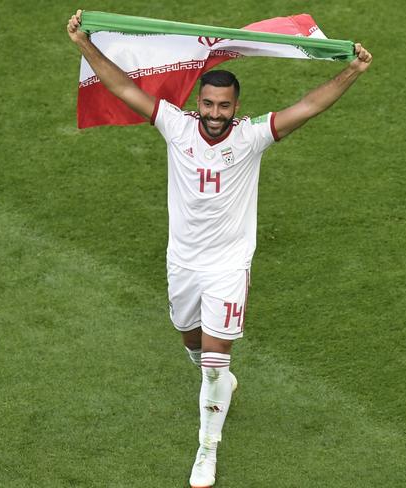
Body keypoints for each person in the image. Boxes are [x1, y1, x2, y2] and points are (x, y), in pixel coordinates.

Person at [67, 9, 372, 488]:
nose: (214, 114)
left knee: (214, 362)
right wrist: (85, 46)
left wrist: (350, 71)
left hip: (228, 265)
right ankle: (216, 380)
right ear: (200, 102)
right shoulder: (177, 126)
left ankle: (207, 449)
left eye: (223, 106)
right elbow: (125, 88)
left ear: (236, 105)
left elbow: (308, 105)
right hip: (183, 262)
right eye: (208, 104)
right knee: (190, 341)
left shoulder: (251, 138)